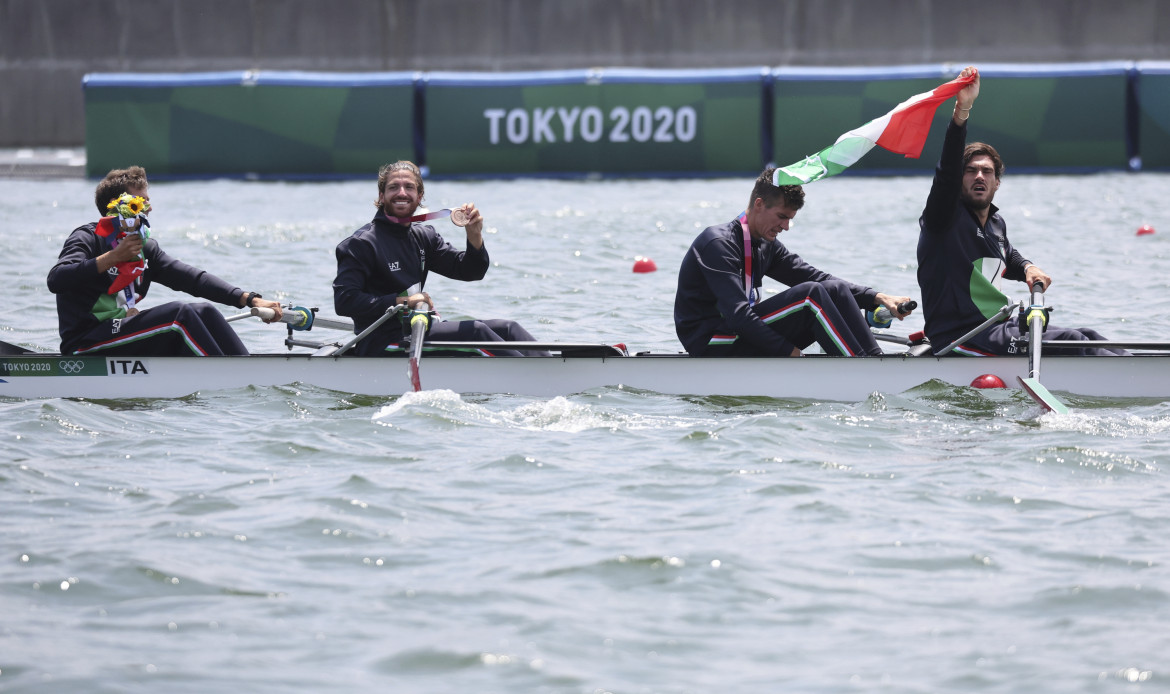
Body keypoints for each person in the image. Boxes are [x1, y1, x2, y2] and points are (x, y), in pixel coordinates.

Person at [918, 65, 1123, 356]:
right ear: (958, 180)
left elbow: (1008, 255)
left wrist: (1028, 267)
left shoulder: (995, 223)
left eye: (987, 172)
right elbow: (946, 170)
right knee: (1071, 340)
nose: (979, 176)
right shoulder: (943, 217)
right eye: (971, 171)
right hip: (962, 337)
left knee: (1086, 335)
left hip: (997, 326)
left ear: (997, 183)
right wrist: (961, 112)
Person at [47, 166, 283, 356]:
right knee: (179, 315)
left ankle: (248, 371)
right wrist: (113, 257)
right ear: (116, 208)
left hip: (120, 334)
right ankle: (230, 378)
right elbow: (56, 279)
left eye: (147, 201)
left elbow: (192, 279)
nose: (148, 209)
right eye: (140, 202)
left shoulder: (144, 247)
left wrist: (250, 299)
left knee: (205, 311)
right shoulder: (87, 238)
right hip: (85, 342)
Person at [674, 168, 912, 357]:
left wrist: (877, 297)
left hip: (738, 332)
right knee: (810, 297)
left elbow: (817, 277)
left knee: (833, 290)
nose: (786, 226)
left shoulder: (766, 244)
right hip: (713, 342)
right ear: (759, 204)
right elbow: (738, 316)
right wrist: (790, 354)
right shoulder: (718, 244)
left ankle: (872, 360)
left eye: (790, 219)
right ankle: (865, 373)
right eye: (781, 217)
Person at [333, 160, 543, 357]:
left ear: (420, 196)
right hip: (382, 341)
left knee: (509, 328)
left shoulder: (423, 236)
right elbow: (344, 301)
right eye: (393, 187)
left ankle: (552, 368)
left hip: (419, 328)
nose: (402, 193)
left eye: (409, 187)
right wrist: (403, 302)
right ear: (381, 196)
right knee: (476, 331)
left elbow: (470, 272)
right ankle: (538, 380)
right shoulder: (361, 244)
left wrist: (474, 235)